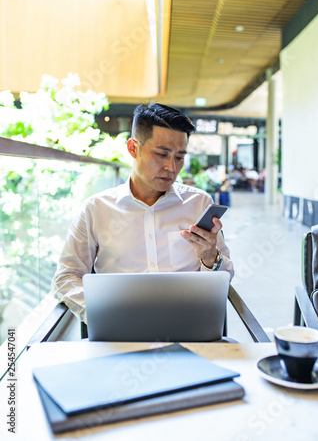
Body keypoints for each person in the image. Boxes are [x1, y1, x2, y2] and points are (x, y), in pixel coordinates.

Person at [52, 103, 234, 323]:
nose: (171, 167)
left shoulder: (199, 203)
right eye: (161, 154)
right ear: (133, 148)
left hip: (188, 327)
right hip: (120, 330)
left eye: (179, 157)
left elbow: (226, 276)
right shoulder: (96, 209)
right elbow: (67, 276)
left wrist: (210, 257)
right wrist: (102, 315)